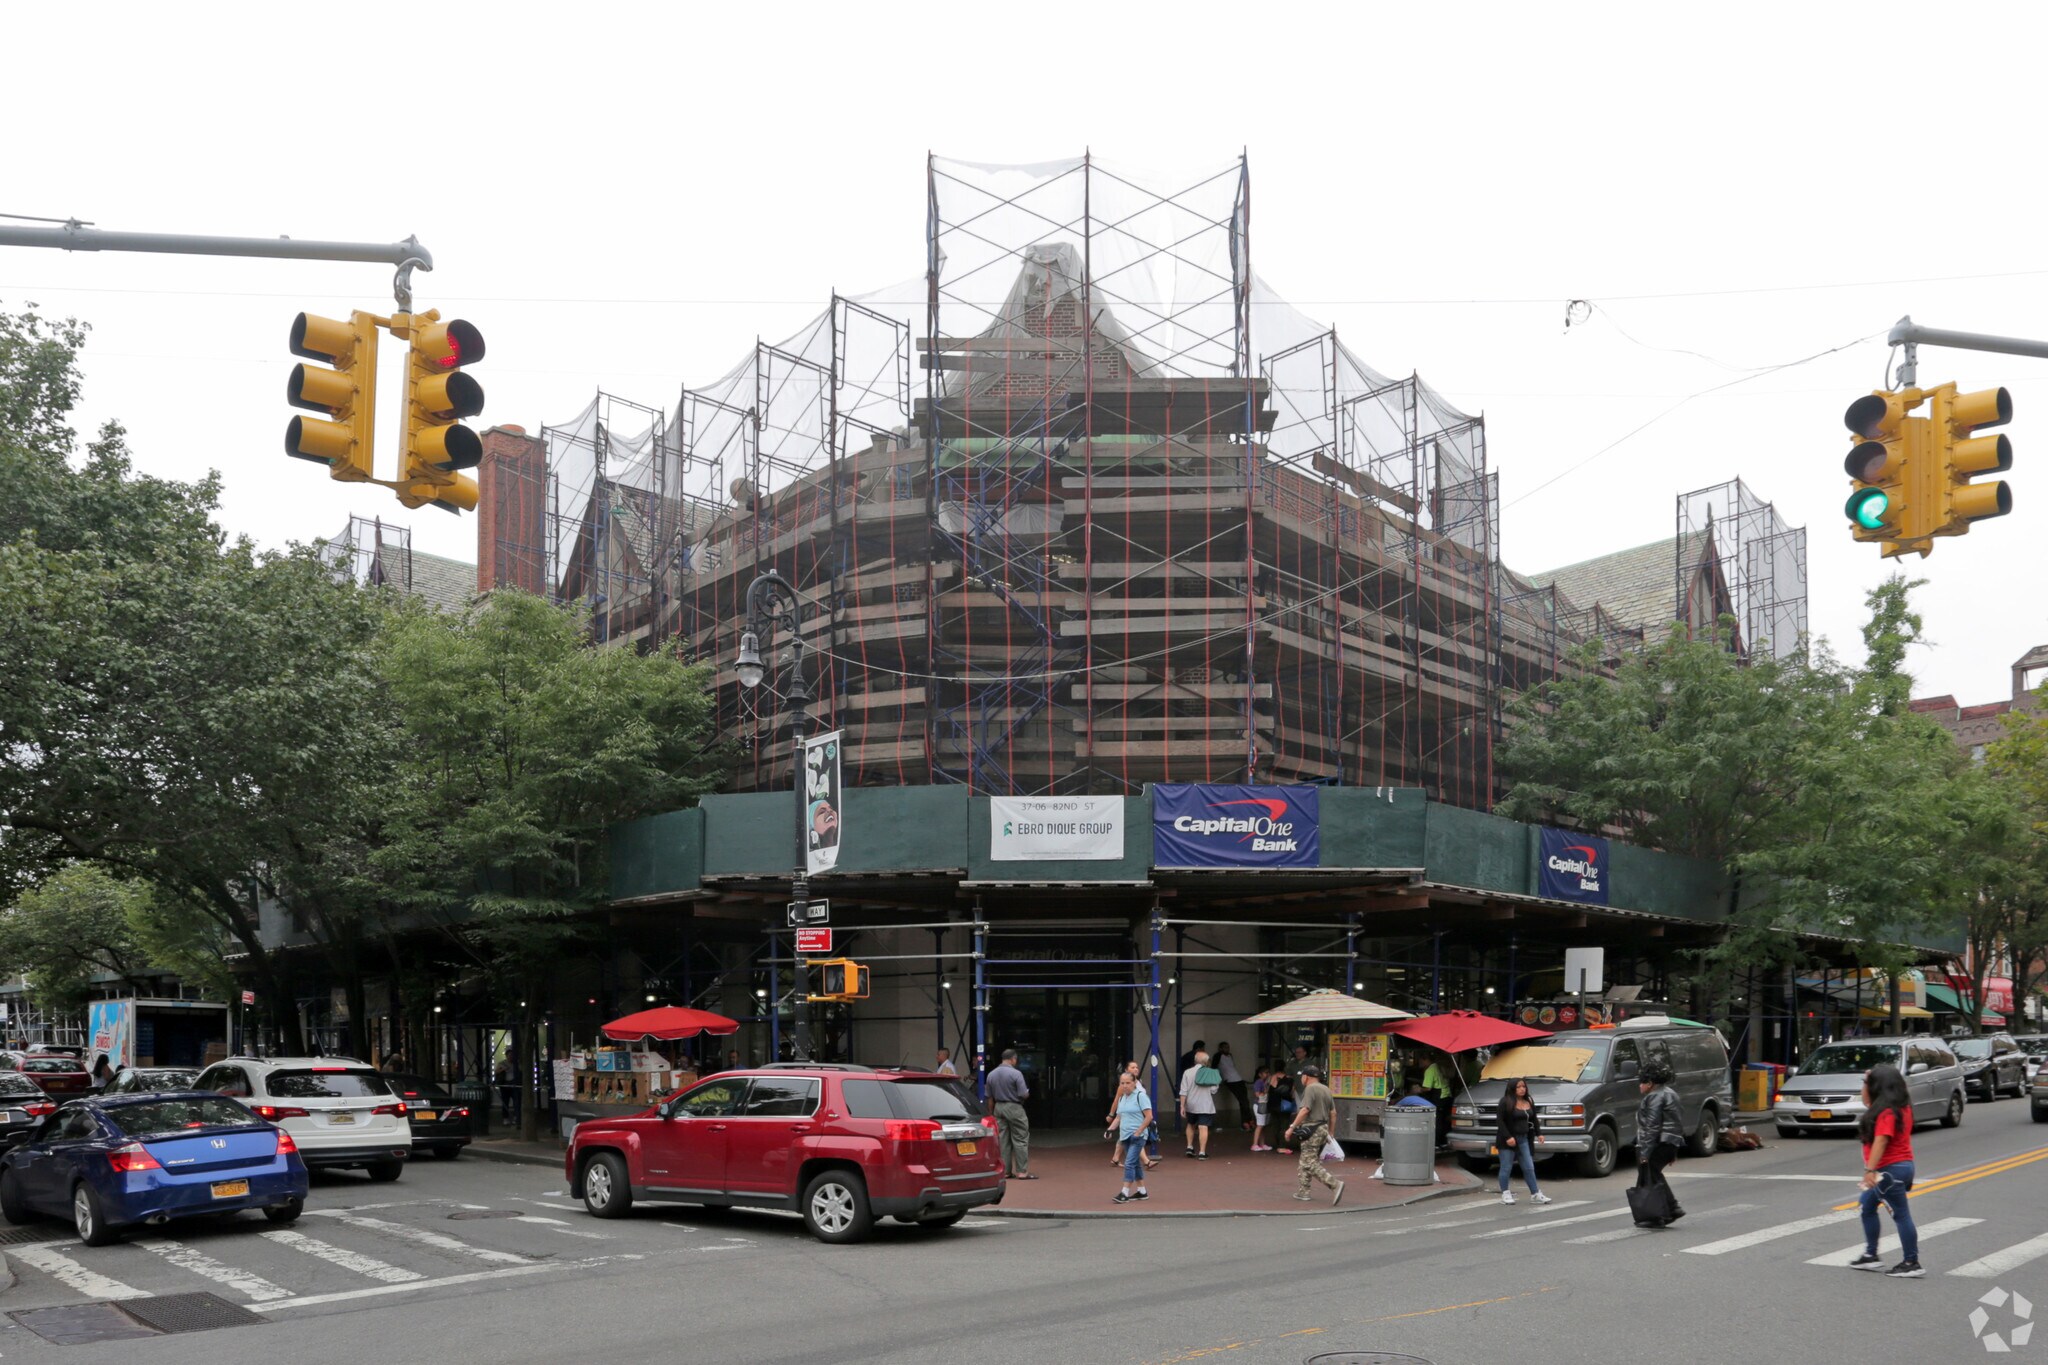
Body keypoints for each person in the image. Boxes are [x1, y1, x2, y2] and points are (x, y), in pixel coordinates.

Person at [1848, 1063, 1923, 1277]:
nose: (1865, 1087)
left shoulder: (1888, 1112)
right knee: (1866, 1205)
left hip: (1890, 1171)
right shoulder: (1900, 1106)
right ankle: (1871, 1256)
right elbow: (1866, 1100)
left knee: (1901, 1215)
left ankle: (1911, 1262)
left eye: (1869, 1084)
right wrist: (1867, 1079)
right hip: (1897, 1168)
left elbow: (1881, 1141)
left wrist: (1869, 1170)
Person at [1632, 1060, 1686, 1226]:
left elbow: (1652, 1126)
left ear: (1649, 1083)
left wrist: (1645, 1152)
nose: (1639, 1086)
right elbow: (1677, 1123)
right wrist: (1673, 1151)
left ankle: (1664, 1211)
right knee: (1651, 1176)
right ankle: (1663, 1212)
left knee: (1649, 1175)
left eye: (1641, 1082)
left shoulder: (1655, 1096)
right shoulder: (1671, 1093)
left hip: (1658, 1143)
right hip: (1669, 1143)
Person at [1282, 1065, 1345, 1205]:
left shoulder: (1310, 1089)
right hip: (1322, 1127)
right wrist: (1331, 1133)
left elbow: (1305, 1109)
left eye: (1302, 1076)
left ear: (1306, 1076)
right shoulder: (1326, 1089)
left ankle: (1334, 1184)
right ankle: (1303, 1191)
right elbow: (1333, 1113)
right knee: (1305, 1161)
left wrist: (1292, 1127)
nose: (1301, 1079)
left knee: (1309, 1162)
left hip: (1311, 1129)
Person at [1493, 1077, 1553, 1205]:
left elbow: (1534, 1119)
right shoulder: (1505, 1102)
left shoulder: (1529, 1100)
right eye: (1518, 1087)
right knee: (1506, 1167)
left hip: (1524, 1139)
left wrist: (1539, 1133)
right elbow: (1500, 1121)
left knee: (1529, 1167)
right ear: (1512, 1088)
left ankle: (1535, 1194)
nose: (1522, 1089)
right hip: (1508, 1140)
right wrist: (1508, 1137)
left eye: (1523, 1087)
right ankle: (1505, 1193)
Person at [987, 1049, 1034, 1179]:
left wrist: (991, 1113)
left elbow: (989, 1097)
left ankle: (1006, 1171)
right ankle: (1022, 1171)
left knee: (1003, 1140)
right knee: (1020, 1139)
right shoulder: (1016, 1074)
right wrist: (1027, 1094)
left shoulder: (991, 1074)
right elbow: (1023, 1094)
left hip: (998, 1107)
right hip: (1014, 1107)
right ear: (1013, 1059)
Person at [1110, 1071, 1154, 1204]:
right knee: (1134, 1164)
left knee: (1129, 1163)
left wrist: (1138, 1131)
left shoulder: (1141, 1096)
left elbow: (1149, 1116)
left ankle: (1124, 1192)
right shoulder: (1123, 1098)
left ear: (1135, 1083)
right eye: (1122, 1083)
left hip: (1137, 1137)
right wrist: (1110, 1129)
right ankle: (1142, 1191)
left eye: (1128, 1083)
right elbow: (1119, 1117)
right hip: (1125, 1136)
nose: (1124, 1086)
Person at [1178, 1048, 1220, 1158]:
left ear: (1195, 1060)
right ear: (1206, 1061)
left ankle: (1189, 1147)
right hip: (1205, 1105)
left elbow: (1183, 1091)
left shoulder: (1187, 1072)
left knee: (1190, 1124)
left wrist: (1182, 1105)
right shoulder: (1210, 1073)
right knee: (1203, 1127)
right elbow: (1213, 1090)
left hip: (1191, 1104)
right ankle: (1202, 1152)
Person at [1213, 1041, 1251, 1131]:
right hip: (1230, 1081)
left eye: (1228, 1047)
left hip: (1239, 1079)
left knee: (1245, 1101)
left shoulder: (1230, 1056)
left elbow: (1232, 1067)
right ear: (1220, 1048)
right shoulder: (1218, 1056)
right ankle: (1245, 1123)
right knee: (1243, 1101)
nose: (1227, 1049)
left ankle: (1247, 1122)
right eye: (1225, 1047)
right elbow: (1214, 1068)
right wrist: (1219, 1080)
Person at [1268, 1063, 1297, 1153]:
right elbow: (1292, 1092)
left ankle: (1278, 1143)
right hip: (1285, 1104)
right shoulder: (1289, 1079)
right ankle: (1282, 1146)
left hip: (1272, 1104)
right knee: (1284, 1125)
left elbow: (1266, 1090)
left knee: (1275, 1125)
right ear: (1284, 1068)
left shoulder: (1270, 1078)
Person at [1250, 1065, 1273, 1152]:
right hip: (1259, 1105)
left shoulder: (1265, 1082)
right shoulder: (1259, 1082)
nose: (1267, 1074)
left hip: (1263, 1105)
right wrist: (1266, 1091)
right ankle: (1255, 1144)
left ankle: (1262, 1144)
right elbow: (1257, 1094)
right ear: (1260, 1074)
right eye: (1265, 1073)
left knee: (1263, 1125)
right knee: (1260, 1125)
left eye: (1268, 1072)